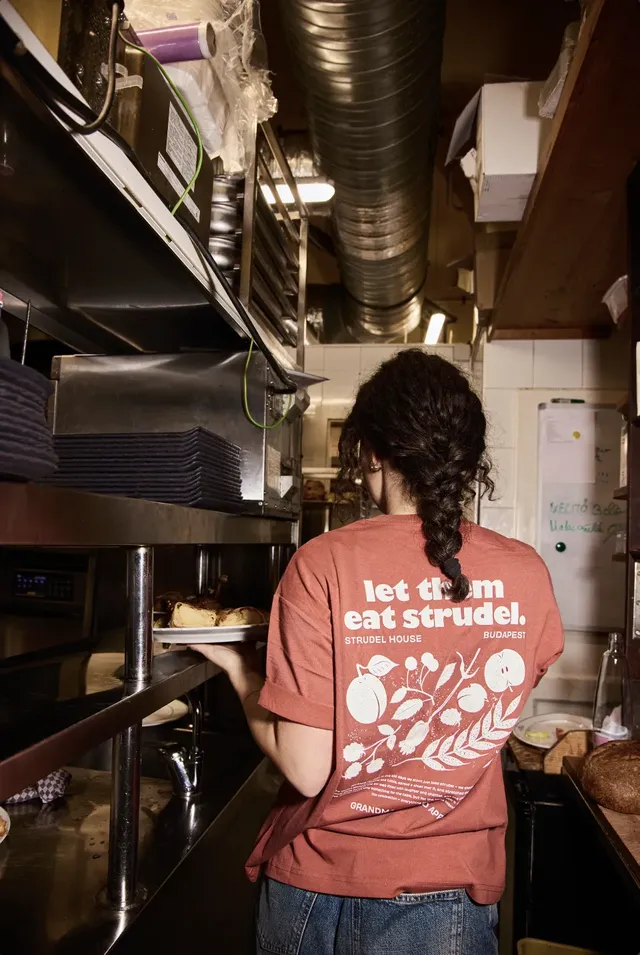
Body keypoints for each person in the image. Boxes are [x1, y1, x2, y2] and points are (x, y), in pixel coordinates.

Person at [193, 349, 564, 955]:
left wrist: (241, 672)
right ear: (465, 457)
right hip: (450, 892)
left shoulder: (322, 564)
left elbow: (306, 770)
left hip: (319, 888)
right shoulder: (527, 574)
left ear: (369, 451)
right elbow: (483, 708)